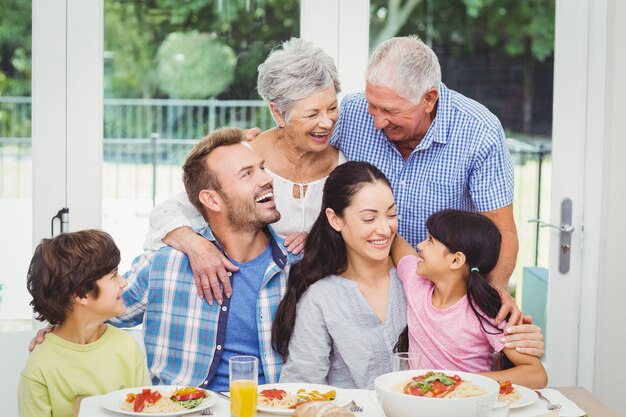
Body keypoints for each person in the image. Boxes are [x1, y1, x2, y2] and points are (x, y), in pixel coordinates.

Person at [273, 162, 543, 389]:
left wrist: (495, 297)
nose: (385, 228)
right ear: (335, 219)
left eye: (392, 214)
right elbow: (300, 388)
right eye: (369, 218)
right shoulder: (322, 298)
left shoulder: (424, 282)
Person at [144, 37, 344, 305]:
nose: (327, 121)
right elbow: (167, 213)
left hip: (322, 310)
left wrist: (324, 243)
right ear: (278, 113)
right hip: (254, 308)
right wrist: (197, 247)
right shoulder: (246, 160)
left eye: (332, 108)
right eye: (312, 114)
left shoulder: (345, 164)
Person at [109, 127, 299, 391]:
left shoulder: (297, 266)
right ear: (212, 200)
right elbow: (100, 313)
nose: (266, 179)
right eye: (247, 174)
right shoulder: (164, 265)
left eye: (262, 168)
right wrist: (57, 330)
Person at [332, 35, 517, 289]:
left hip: (440, 292)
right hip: (361, 283)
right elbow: (301, 150)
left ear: (428, 99)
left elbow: (502, 230)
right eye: (373, 106)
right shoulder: (352, 112)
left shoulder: (479, 131)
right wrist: (257, 145)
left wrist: (494, 293)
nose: (377, 122)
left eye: (390, 111)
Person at [391, 209, 547, 388]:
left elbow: (536, 374)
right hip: (422, 403)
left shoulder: (484, 311)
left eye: (430, 241)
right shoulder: (416, 281)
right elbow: (396, 242)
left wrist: (463, 382)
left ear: (456, 260)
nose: (420, 245)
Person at [18, 230, 150, 417]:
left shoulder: (127, 347)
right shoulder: (40, 367)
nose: (124, 282)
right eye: (113, 276)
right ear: (81, 294)